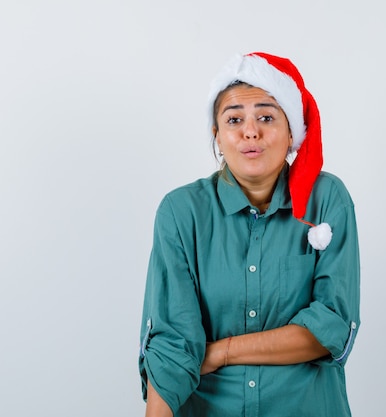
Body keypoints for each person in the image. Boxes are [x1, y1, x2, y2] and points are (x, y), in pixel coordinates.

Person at [139, 52, 361, 417]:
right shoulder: (181, 213)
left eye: (266, 117)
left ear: (292, 131)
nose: (250, 131)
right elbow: (171, 345)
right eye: (235, 119)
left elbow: (330, 328)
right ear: (217, 136)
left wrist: (220, 352)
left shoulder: (327, 201)